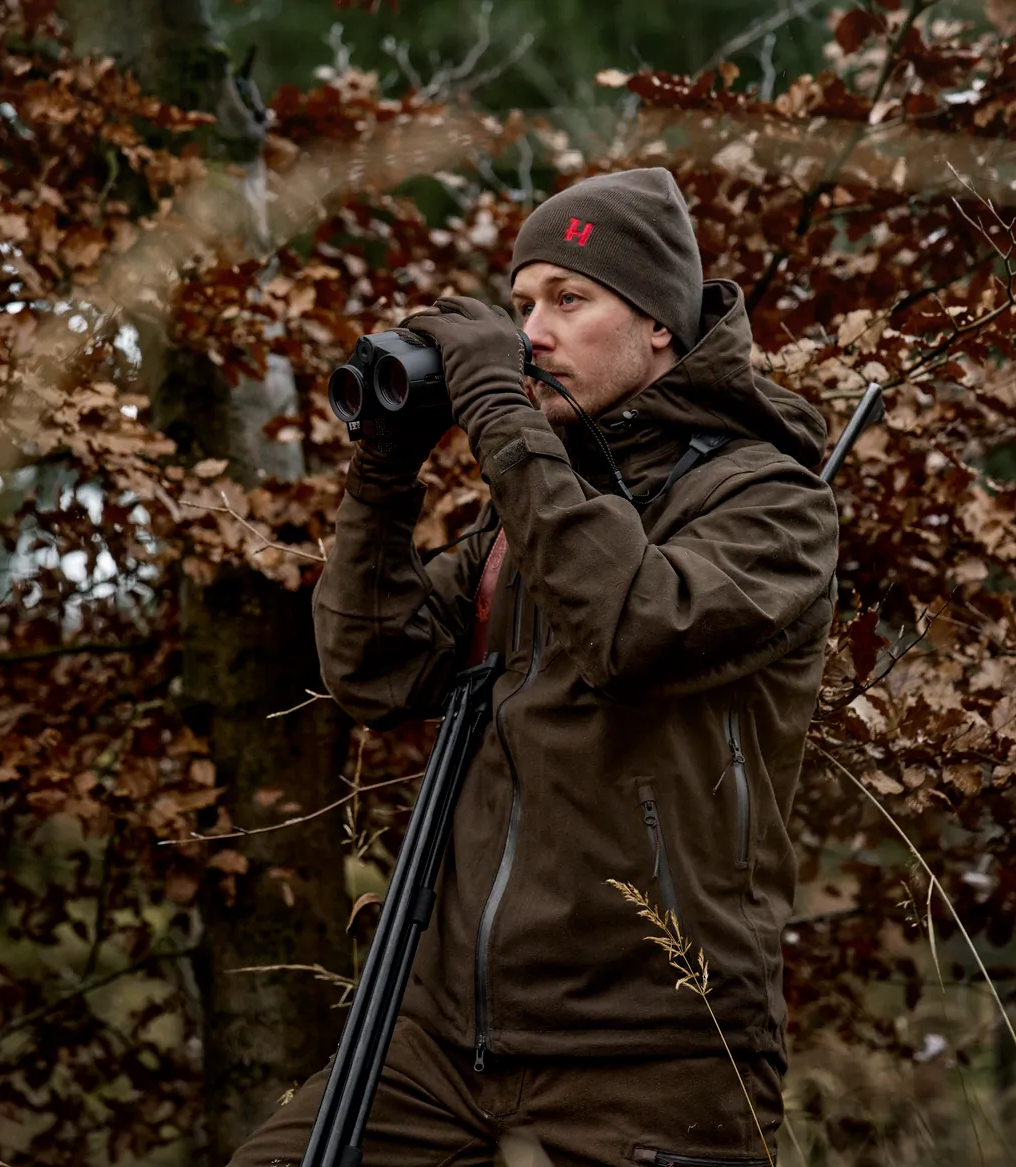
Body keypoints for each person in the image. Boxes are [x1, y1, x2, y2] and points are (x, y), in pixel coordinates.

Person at [230, 167, 840, 1166]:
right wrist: (384, 471)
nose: (530, 336)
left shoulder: (769, 504)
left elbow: (628, 626)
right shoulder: (523, 517)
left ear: (661, 327)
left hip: (647, 1051)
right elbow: (372, 671)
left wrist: (501, 423)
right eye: (518, 307)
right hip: (435, 1037)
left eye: (569, 300)